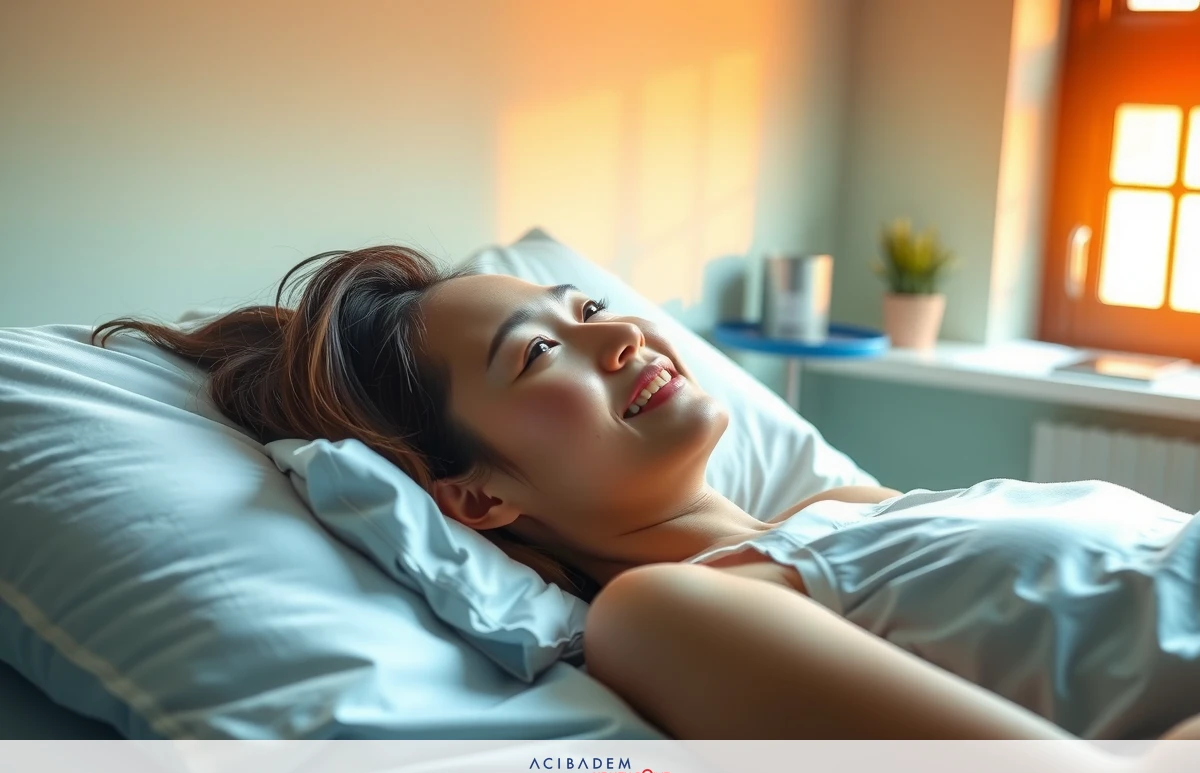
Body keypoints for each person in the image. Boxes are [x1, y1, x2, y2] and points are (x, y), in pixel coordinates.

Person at [93, 244, 1200, 742]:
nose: (618, 330)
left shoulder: (851, 508)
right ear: (470, 496)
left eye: (582, 306)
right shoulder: (671, 608)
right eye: (541, 354)